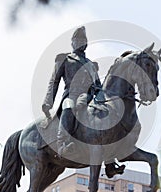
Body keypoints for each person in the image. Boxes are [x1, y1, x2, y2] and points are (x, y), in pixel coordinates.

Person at [42, 26, 124, 177]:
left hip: (89, 97)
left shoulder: (91, 65)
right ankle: (63, 144)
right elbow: (54, 82)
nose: (80, 42)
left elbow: (98, 85)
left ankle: (110, 163)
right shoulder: (65, 59)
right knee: (69, 108)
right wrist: (48, 102)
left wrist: (105, 100)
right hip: (71, 95)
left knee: (104, 120)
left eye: (83, 40)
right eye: (77, 40)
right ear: (72, 42)